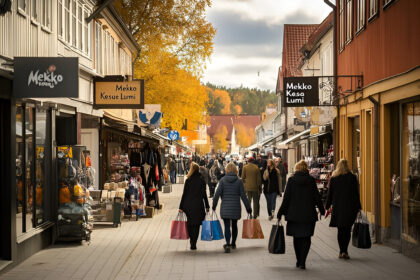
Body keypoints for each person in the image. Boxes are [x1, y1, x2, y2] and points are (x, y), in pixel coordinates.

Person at [277, 160, 325, 270]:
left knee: (297, 238)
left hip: (294, 215)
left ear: (296, 169)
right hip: (308, 214)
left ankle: (299, 259)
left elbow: (286, 198)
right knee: (306, 238)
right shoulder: (311, 181)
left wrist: (280, 213)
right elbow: (316, 197)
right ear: (306, 169)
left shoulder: (291, 180)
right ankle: (303, 261)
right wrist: (322, 210)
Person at [325, 159, 362, 260]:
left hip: (338, 208)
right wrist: (359, 206)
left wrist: (327, 206)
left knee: (340, 230)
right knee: (347, 229)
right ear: (347, 166)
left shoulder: (334, 178)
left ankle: (341, 251)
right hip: (350, 208)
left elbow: (330, 194)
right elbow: (356, 194)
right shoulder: (352, 178)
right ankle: (345, 251)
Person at [213, 162, 252, 253]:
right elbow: (243, 196)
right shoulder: (239, 181)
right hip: (235, 207)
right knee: (234, 225)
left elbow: (217, 194)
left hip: (225, 207)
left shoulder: (222, 180)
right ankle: (233, 243)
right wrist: (248, 208)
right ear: (236, 170)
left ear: (226, 170)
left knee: (227, 225)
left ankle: (227, 243)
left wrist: (214, 206)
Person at [179, 163, 210, 250]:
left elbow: (184, 194)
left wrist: (181, 207)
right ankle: (194, 243)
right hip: (198, 205)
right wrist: (207, 206)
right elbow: (204, 194)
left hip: (188, 205)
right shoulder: (201, 180)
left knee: (189, 223)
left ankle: (191, 240)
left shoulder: (188, 180)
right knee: (196, 225)